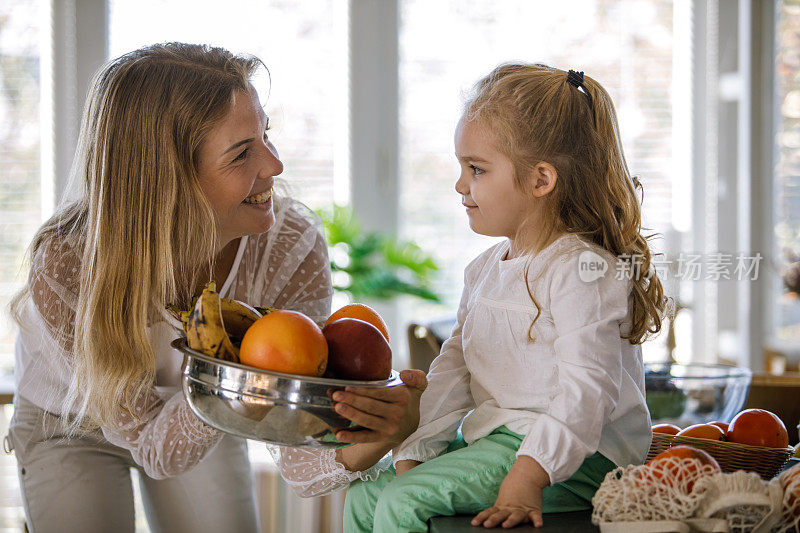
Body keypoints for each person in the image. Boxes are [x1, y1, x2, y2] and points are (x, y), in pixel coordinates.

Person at [6, 42, 426, 533]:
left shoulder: (288, 247)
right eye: (241, 152)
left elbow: (299, 457)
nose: (274, 166)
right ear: (166, 178)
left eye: (265, 135)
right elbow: (157, 452)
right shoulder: (68, 263)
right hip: (71, 422)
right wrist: (236, 373)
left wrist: (381, 433)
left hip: (206, 412)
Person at [343, 63, 670, 532]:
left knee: (403, 503)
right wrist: (417, 451)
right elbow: (453, 372)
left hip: (581, 457)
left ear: (541, 180)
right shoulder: (482, 271)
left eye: (476, 169)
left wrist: (528, 475)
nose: (460, 185)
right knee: (366, 496)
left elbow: (588, 393)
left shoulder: (582, 270)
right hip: (500, 441)